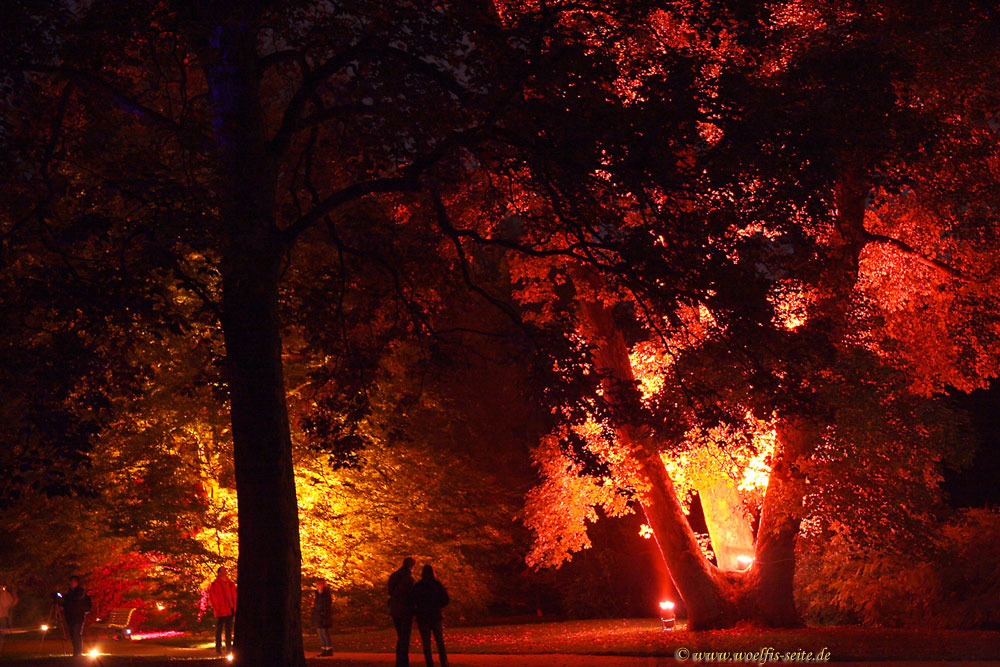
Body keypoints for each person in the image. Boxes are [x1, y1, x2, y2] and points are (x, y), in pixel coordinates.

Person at [410, 565, 450, 667]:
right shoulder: (437, 585)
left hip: (423, 616)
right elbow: (446, 599)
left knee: (426, 642)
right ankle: (444, 662)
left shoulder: (418, 586)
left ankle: (429, 663)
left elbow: (412, 600)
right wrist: (438, 606)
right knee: (439, 641)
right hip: (435, 615)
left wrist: (417, 610)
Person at [387, 556, 416, 667]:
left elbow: (390, 591)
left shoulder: (394, 576)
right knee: (405, 637)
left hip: (395, 609)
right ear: (412, 566)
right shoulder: (408, 579)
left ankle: (399, 661)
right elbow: (411, 596)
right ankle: (404, 661)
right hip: (405, 610)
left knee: (400, 635)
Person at [59, 576, 92, 657]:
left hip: (78, 616)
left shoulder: (80, 592)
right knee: (72, 634)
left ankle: (78, 651)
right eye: (71, 582)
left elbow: (81, 601)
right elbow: (67, 602)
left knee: (76, 633)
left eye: (73, 582)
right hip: (70, 616)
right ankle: (76, 651)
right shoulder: (69, 594)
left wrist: (84, 610)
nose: (72, 583)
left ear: (77, 582)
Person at [208, 566, 237, 656]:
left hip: (230, 608)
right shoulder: (216, 584)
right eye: (223, 570)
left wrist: (235, 606)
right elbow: (213, 597)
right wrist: (217, 608)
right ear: (219, 572)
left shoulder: (230, 583)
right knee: (220, 628)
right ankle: (219, 648)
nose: (225, 571)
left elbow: (234, 596)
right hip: (222, 608)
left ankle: (228, 648)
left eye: (225, 570)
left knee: (228, 629)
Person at [312, 578, 334, 657]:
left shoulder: (325, 594)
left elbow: (326, 605)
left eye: (318, 585)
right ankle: (324, 649)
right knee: (320, 633)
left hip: (324, 616)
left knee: (324, 633)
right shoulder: (318, 594)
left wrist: (323, 613)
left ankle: (328, 649)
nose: (317, 586)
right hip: (318, 616)